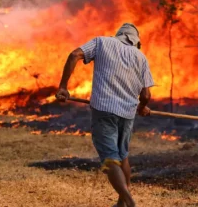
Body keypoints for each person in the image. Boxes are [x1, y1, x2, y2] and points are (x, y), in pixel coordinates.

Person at [55, 23, 154, 207]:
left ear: (118, 35)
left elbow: (75, 54)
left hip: (104, 111)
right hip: (127, 113)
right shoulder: (140, 57)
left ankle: (130, 202)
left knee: (110, 158)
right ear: (135, 41)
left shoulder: (102, 43)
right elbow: (146, 95)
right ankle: (121, 204)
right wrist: (142, 107)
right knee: (122, 156)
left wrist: (63, 87)